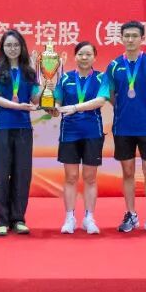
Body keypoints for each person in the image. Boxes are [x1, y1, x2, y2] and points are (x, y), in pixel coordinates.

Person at [106, 20, 146, 236]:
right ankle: (131, 214)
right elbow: (110, 94)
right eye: (127, 36)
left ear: (142, 38)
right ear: (121, 38)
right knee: (128, 172)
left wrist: (145, 108)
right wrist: (124, 108)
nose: (130, 39)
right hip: (122, 128)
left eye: (135, 36)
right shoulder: (114, 65)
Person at [0, 29, 40, 236]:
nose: (12, 48)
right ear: (2, 48)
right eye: (8, 45)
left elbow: (35, 99)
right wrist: (18, 106)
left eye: (16, 45)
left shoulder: (29, 72)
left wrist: (47, 85)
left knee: (22, 174)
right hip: (0, 127)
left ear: (22, 47)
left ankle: (18, 219)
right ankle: (1, 219)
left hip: (23, 128)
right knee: (0, 174)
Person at [53, 41, 110, 235]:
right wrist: (52, 107)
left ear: (94, 57)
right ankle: (69, 217)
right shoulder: (65, 78)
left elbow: (100, 101)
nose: (84, 58)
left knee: (90, 177)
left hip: (92, 133)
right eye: (80, 54)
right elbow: (57, 103)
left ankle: (89, 218)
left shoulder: (102, 77)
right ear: (75, 56)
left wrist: (76, 107)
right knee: (71, 177)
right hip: (69, 133)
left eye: (88, 54)